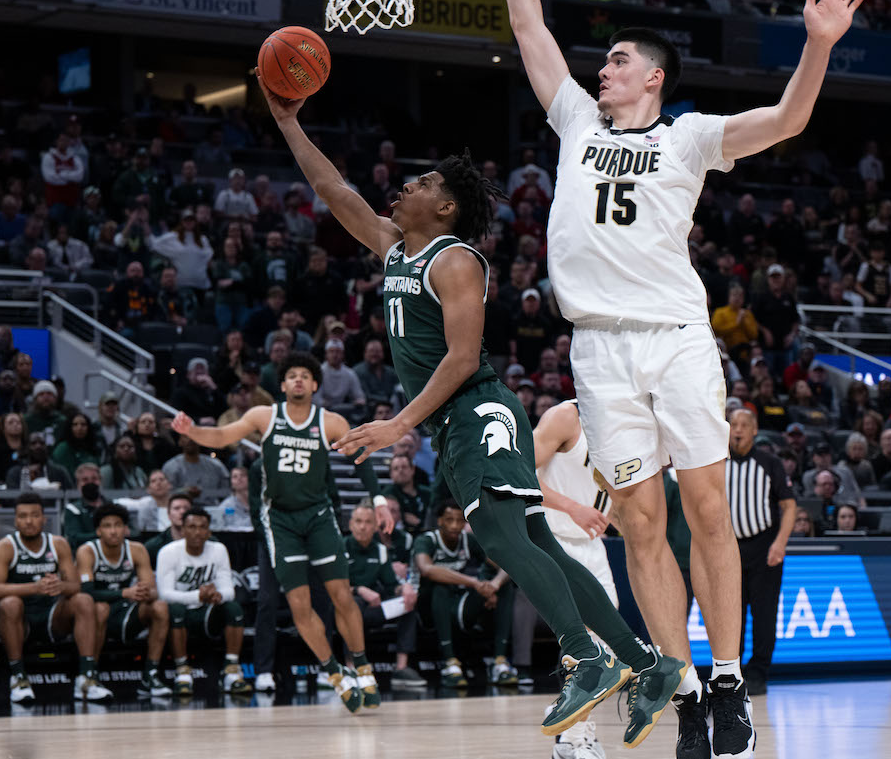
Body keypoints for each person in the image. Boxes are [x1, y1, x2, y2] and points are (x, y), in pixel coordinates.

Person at [495, 0, 854, 756]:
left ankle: (729, 681)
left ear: (653, 77)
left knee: (706, 513)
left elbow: (788, 121)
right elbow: (526, 24)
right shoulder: (577, 124)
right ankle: (684, 685)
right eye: (604, 62)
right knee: (639, 525)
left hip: (676, 341)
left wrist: (820, 44)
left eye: (618, 61)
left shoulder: (688, 138)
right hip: (598, 352)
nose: (603, 71)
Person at [260, 75, 678, 743]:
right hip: (457, 421)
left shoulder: (457, 260)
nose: (401, 189)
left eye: (418, 185)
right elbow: (336, 192)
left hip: (479, 408)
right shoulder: (398, 248)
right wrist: (288, 124)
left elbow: (460, 358)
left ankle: (588, 654)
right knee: (540, 544)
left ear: (447, 205)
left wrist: (398, 423)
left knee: (502, 538)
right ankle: (646, 664)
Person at [170, 352, 393, 713]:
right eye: (292, 375)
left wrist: (379, 500)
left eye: (305, 375)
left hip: (318, 515)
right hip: (281, 521)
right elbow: (224, 435)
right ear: (283, 384)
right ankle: (334, 672)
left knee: (341, 594)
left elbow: (362, 453)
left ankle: (363, 667)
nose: (299, 380)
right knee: (298, 605)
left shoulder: (330, 421)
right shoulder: (265, 415)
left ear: (315, 384)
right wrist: (191, 430)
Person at [533, 399, 618, 759]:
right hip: (554, 537)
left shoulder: (623, 423)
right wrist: (573, 507)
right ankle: (575, 735)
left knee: (609, 645)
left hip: (591, 543)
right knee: (583, 642)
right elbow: (518, 472)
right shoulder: (565, 416)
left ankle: (570, 725)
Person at [0, 492, 110, 703]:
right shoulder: (5, 546)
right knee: (10, 603)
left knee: (84, 600)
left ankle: (86, 678)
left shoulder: (58, 544)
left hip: (52, 617)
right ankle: (18, 678)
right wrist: (34, 588)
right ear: (15, 520)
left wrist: (60, 585)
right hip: (18, 620)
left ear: (44, 518)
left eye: (34, 515)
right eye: (23, 516)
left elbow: (75, 586)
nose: (28, 521)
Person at [723, 410, 796, 696]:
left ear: (754, 431)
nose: (738, 430)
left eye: (744, 425)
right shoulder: (716, 463)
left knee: (765, 614)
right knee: (731, 614)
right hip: (728, 548)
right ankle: (732, 671)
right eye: (734, 425)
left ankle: (758, 672)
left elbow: (789, 506)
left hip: (764, 547)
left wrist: (780, 543)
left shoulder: (770, 463)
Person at [414, 500, 517, 687]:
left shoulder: (468, 540)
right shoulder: (426, 540)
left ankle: (499, 662)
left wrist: (494, 584)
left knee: (505, 587)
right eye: (449, 520)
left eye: (459, 521)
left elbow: (506, 565)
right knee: (440, 585)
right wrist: (474, 583)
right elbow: (427, 569)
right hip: (427, 609)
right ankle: (449, 663)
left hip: (458, 605)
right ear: (439, 521)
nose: (454, 525)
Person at [75, 503, 172, 697]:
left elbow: (153, 591)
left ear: (125, 529)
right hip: (94, 616)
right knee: (100, 608)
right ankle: (89, 675)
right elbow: (86, 592)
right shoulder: (87, 551)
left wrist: (145, 592)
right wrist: (124, 593)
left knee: (160, 607)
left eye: (118, 525)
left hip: (125, 613)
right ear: (98, 530)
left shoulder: (136, 550)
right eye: (107, 526)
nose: (113, 531)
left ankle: (150, 676)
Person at [155, 507, 251, 696]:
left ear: (209, 531)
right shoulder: (168, 552)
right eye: (191, 527)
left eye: (202, 527)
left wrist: (218, 596)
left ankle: (231, 670)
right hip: (179, 616)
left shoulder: (218, 550)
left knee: (233, 608)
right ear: (182, 530)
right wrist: (198, 596)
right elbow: (164, 594)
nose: (197, 532)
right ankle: (182, 672)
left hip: (207, 613)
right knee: (175, 610)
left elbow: (228, 590)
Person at [344, 500, 426, 689]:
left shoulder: (380, 550)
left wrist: (404, 589)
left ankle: (401, 668)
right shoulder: (341, 548)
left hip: (372, 609)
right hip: (345, 608)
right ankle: (352, 667)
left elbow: (391, 585)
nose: (362, 527)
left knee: (407, 603)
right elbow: (331, 589)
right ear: (350, 524)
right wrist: (359, 590)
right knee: (352, 604)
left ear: (375, 527)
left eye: (367, 522)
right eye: (358, 521)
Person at [162, 434, 230, 493]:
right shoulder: (170, 467)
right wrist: (184, 492)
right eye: (186, 436)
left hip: (213, 506)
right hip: (180, 506)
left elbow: (226, 491)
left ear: (200, 441)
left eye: (194, 436)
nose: (190, 439)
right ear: (180, 441)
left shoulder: (216, 465)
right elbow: (165, 493)